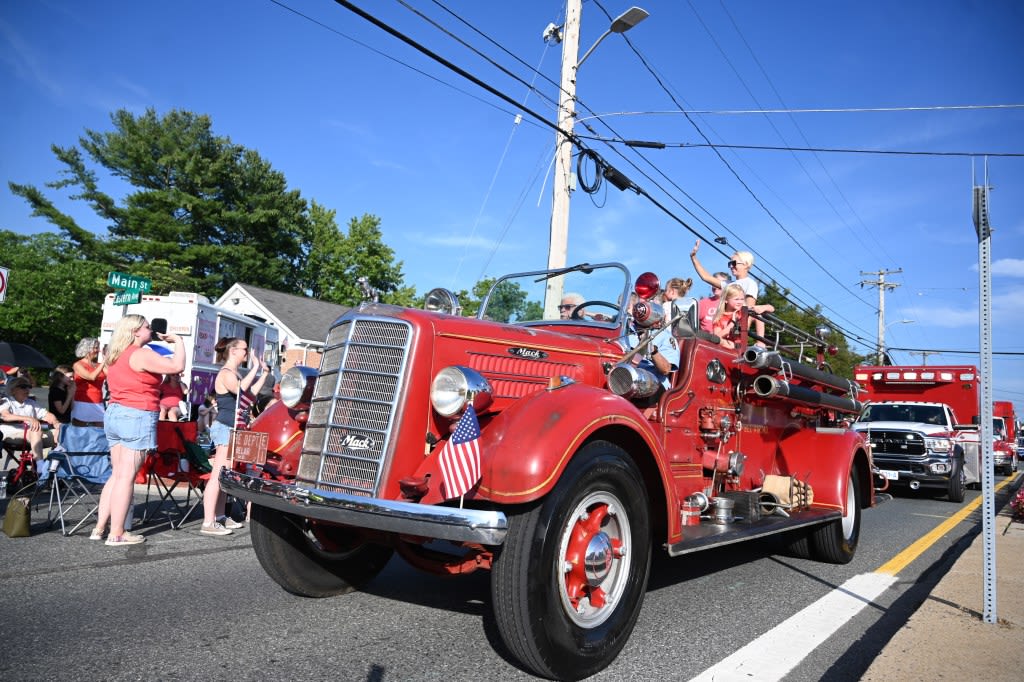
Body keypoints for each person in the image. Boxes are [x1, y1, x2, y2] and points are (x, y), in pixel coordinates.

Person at [93, 315, 185, 546]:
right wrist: (178, 341)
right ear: (135, 331)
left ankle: (99, 528)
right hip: (137, 414)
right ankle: (117, 533)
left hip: (115, 413)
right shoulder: (141, 353)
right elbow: (177, 366)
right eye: (146, 327)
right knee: (126, 477)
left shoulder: (115, 354)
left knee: (116, 475)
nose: (151, 330)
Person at [202, 337, 269, 536]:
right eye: (244, 349)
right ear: (233, 351)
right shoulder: (226, 373)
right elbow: (241, 391)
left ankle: (221, 516)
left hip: (232, 427)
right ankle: (208, 521)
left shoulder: (235, 373)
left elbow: (250, 396)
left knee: (224, 475)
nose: (247, 353)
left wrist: (263, 373)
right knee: (218, 475)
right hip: (224, 427)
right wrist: (255, 368)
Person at [690, 241, 770, 346]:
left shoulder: (750, 284)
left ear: (746, 264)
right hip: (724, 328)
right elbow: (706, 277)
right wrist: (694, 257)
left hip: (736, 332)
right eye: (730, 264)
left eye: (734, 263)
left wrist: (742, 334)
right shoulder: (730, 285)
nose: (731, 266)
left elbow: (748, 310)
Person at [0, 377, 61, 461]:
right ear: (13, 390)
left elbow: (47, 415)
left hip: (32, 433)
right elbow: (6, 416)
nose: (27, 389)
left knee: (63, 431)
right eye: (23, 387)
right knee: (35, 430)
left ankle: (56, 463)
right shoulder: (6, 401)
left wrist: (56, 423)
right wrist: (29, 419)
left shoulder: (30, 402)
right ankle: (40, 465)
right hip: (13, 433)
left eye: (28, 386)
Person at [711, 284, 775, 350]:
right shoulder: (720, 317)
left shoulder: (743, 312)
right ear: (726, 300)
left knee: (757, 315)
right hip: (726, 346)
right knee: (722, 342)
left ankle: (760, 343)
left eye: (742, 299)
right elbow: (716, 337)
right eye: (736, 299)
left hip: (739, 346)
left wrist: (763, 307)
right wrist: (732, 324)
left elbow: (772, 308)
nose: (739, 302)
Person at [71, 337, 106, 427]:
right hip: (83, 401)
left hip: (98, 401)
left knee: (100, 431)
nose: (98, 350)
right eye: (95, 348)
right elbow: (91, 377)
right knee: (79, 431)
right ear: (87, 349)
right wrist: (104, 361)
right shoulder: (78, 365)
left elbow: (111, 375)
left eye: (98, 348)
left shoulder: (98, 365)